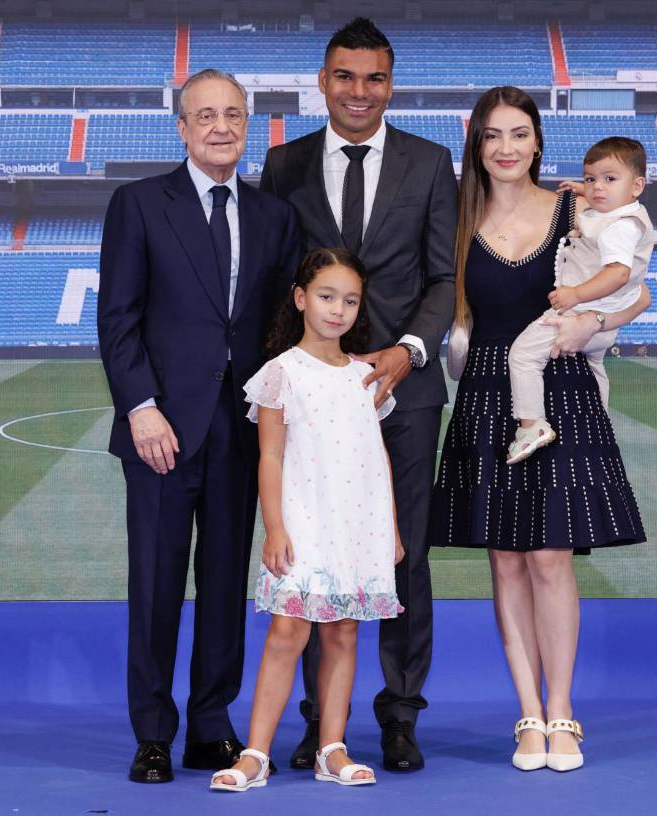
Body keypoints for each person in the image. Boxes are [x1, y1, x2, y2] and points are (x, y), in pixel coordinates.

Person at [430, 86, 649, 774]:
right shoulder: (456, 217)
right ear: (477, 142)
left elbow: (639, 288)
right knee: (506, 560)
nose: (505, 148)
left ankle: (563, 712)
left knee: (551, 557)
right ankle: (527, 714)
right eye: (493, 135)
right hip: (487, 393)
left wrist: (597, 321)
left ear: (537, 141)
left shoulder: (576, 208)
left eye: (518, 133)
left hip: (561, 390)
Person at [260, 16, 457, 774]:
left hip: (404, 394)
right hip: (315, 398)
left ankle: (400, 715)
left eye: (375, 78)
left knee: (403, 553)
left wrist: (408, 352)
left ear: (390, 84)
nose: (359, 92)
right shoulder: (284, 165)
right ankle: (321, 722)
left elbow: (442, 277)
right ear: (323, 80)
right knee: (315, 558)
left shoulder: (430, 162)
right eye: (345, 76)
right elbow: (280, 280)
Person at [97, 68, 299, 784]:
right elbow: (118, 320)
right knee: (154, 586)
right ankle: (153, 732)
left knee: (222, 584)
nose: (220, 127)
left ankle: (210, 725)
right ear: (181, 128)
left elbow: (278, 330)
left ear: (250, 125)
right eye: (205, 115)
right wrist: (142, 407)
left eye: (233, 115)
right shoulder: (139, 205)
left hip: (240, 432)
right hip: (161, 431)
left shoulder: (274, 216)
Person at [210, 247, 404, 792]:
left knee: (343, 632)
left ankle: (332, 749)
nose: (337, 309)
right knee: (287, 631)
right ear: (300, 299)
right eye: (325, 296)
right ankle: (255, 754)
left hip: (357, 524)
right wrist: (274, 527)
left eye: (349, 300)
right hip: (303, 522)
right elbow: (269, 456)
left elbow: (377, 454)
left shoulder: (366, 376)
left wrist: (388, 527)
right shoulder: (280, 374)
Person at [506, 136, 654, 464]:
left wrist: (575, 294)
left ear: (637, 186)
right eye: (591, 179)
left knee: (523, 356)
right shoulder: (624, 211)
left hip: (583, 311)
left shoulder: (619, 228)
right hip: (604, 324)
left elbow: (616, 273)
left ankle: (531, 424)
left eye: (609, 179)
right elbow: (606, 196)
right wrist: (585, 190)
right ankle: (600, 423)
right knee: (595, 364)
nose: (597, 188)